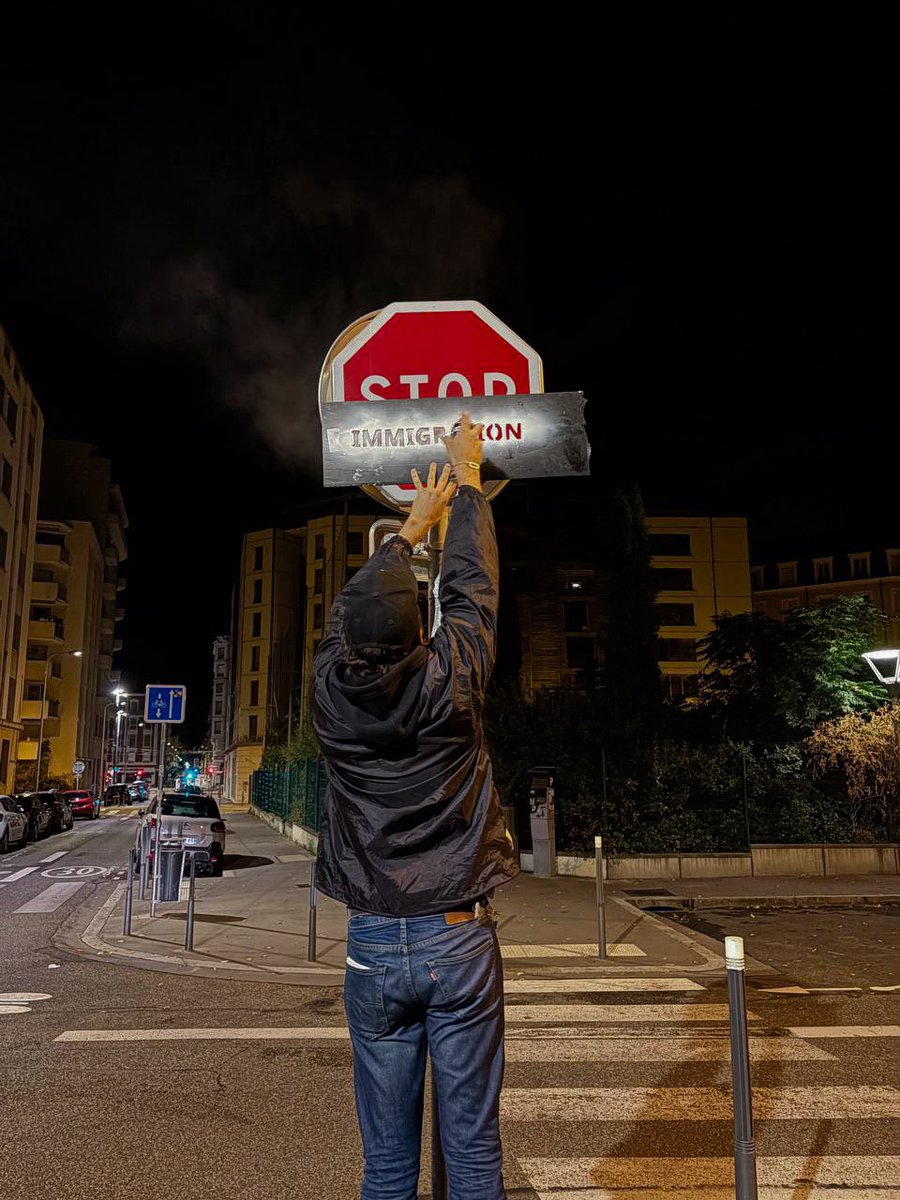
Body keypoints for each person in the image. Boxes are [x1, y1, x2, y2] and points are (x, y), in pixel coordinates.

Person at [311, 412, 519, 1200]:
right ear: (417, 632)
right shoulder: (451, 677)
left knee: (387, 1164)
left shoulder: (328, 695)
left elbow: (346, 618)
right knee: (472, 1153)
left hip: (371, 937)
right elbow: (473, 589)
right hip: (456, 934)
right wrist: (466, 484)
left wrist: (404, 532)